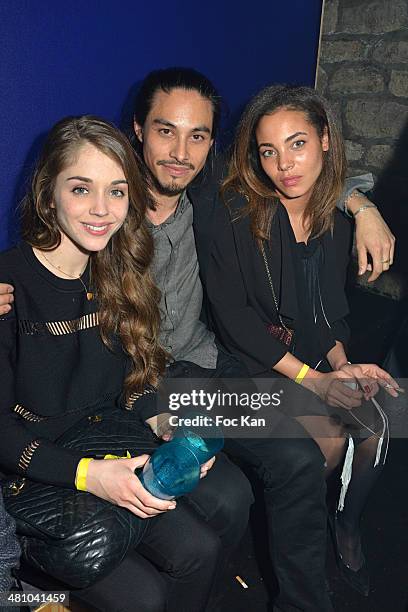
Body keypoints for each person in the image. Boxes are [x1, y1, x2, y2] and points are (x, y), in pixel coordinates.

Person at [0, 67, 396, 611]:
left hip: (212, 366)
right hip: (156, 383)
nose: (180, 152)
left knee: (311, 451)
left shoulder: (209, 196)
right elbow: (42, 274)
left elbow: (295, 178)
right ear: (137, 130)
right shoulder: (107, 215)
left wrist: (363, 206)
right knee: (271, 472)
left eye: (198, 136)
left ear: (214, 145)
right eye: (166, 131)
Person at [0, 115, 252, 612]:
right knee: (144, 596)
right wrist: (90, 475)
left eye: (116, 192)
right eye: (80, 188)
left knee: (203, 549)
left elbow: (125, 387)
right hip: (38, 475)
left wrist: (162, 421)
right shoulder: (7, 289)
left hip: (108, 445)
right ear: (48, 194)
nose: (101, 210)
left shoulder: (116, 271)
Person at [205, 84, 400, 599]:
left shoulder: (333, 217)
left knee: (381, 423)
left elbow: (326, 310)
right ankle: (293, 530)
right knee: (329, 440)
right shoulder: (236, 212)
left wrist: (345, 365)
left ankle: (345, 523)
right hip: (254, 362)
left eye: (297, 144)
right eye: (268, 150)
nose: (284, 165)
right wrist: (317, 383)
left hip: (310, 353)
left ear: (326, 141)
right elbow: (236, 323)